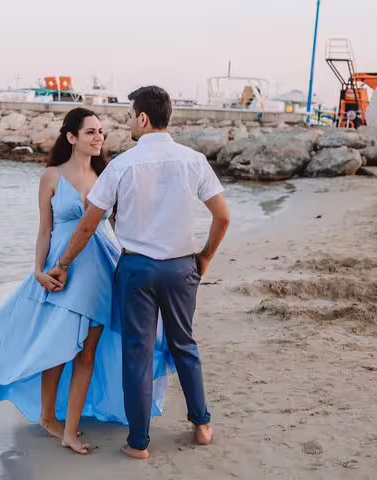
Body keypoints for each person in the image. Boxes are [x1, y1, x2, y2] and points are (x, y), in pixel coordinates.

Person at [0, 107, 174, 455]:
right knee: (57, 348)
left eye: (101, 131)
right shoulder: (51, 176)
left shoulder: (107, 175)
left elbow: (120, 225)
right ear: (71, 137)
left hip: (101, 268)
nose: (98, 137)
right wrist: (38, 269)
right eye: (90, 131)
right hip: (63, 272)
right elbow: (45, 228)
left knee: (87, 353)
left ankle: (70, 429)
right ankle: (48, 417)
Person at [48, 86, 231, 460]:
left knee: (138, 354)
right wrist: (205, 259)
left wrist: (62, 264)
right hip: (182, 267)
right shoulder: (193, 160)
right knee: (185, 345)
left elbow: (87, 226)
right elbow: (223, 216)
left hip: (136, 269)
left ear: (143, 119)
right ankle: (202, 425)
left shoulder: (122, 165)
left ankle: (139, 443)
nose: (130, 122)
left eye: (132, 116)